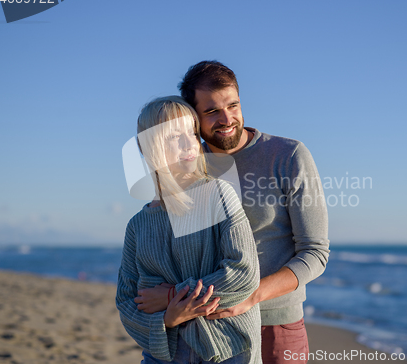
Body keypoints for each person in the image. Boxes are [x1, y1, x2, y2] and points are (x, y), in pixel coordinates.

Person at [136, 62, 330, 363]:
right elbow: (176, 252)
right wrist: (177, 299)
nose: (226, 118)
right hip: (209, 328)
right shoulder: (186, 163)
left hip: (276, 323)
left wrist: (250, 296)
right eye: (212, 111)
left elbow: (315, 253)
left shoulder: (288, 155)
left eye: (233, 105)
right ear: (193, 117)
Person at [116, 96, 262, 364]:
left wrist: (173, 296)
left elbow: (244, 272)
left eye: (193, 133)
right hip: (165, 355)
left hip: (228, 349)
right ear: (149, 146)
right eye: (174, 136)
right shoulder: (137, 226)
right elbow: (127, 302)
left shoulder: (218, 194)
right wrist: (168, 318)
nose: (189, 144)